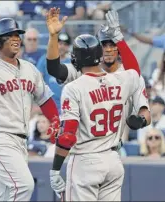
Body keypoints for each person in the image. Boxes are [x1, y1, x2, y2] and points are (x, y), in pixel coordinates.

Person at [46, 8, 151, 201]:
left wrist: (141, 121)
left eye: (113, 44)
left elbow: (145, 111)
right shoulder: (124, 78)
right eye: (104, 45)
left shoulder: (121, 76)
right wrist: (53, 37)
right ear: (97, 50)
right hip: (109, 159)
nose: (109, 49)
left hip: (94, 156)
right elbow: (54, 69)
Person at [0, 18, 60, 201]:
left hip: (20, 141)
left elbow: (45, 99)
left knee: (6, 194)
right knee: (24, 185)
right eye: (9, 36)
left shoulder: (30, 69)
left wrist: (55, 120)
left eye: (17, 35)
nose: (16, 39)